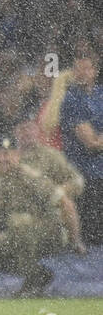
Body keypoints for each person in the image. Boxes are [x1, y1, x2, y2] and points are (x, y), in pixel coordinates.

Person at [0, 138, 86, 297]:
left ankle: (33, 283)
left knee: (19, 222)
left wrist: (75, 241)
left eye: (8, 154)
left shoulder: (30, 177)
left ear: (17, 155)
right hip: (21, 235)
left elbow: (67, 205)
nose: (5, 159)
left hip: (53, 233)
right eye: (0, 154)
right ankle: (36, 275)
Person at [59, 53, 103, 245]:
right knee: (90, 240)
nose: (81, 73)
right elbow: (91, 144)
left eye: (86, 68)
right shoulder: (70, 99)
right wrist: (97, 139)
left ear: (95, 71)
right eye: (77, 69)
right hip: (83, 177)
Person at [14, 120, 85, 200]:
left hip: (45, 208)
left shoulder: (50, 155)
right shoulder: (7, 158)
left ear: (37, 131)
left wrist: (59, 193)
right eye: (22, 129)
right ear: (15, 132)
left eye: (30, 128)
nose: (26, 133)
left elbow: (77, 181)